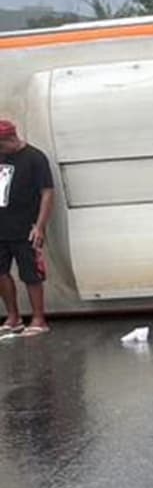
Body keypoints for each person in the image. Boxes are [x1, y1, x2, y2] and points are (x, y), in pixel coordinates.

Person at [0, 120, 54, 336]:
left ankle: (38, 318)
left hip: (26, 227)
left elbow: (47, 192)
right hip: (2, 225)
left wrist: (40, 226)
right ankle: (13, 317)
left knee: (31, 274)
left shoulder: (34, 158)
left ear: (11, 140)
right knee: (1, 272)